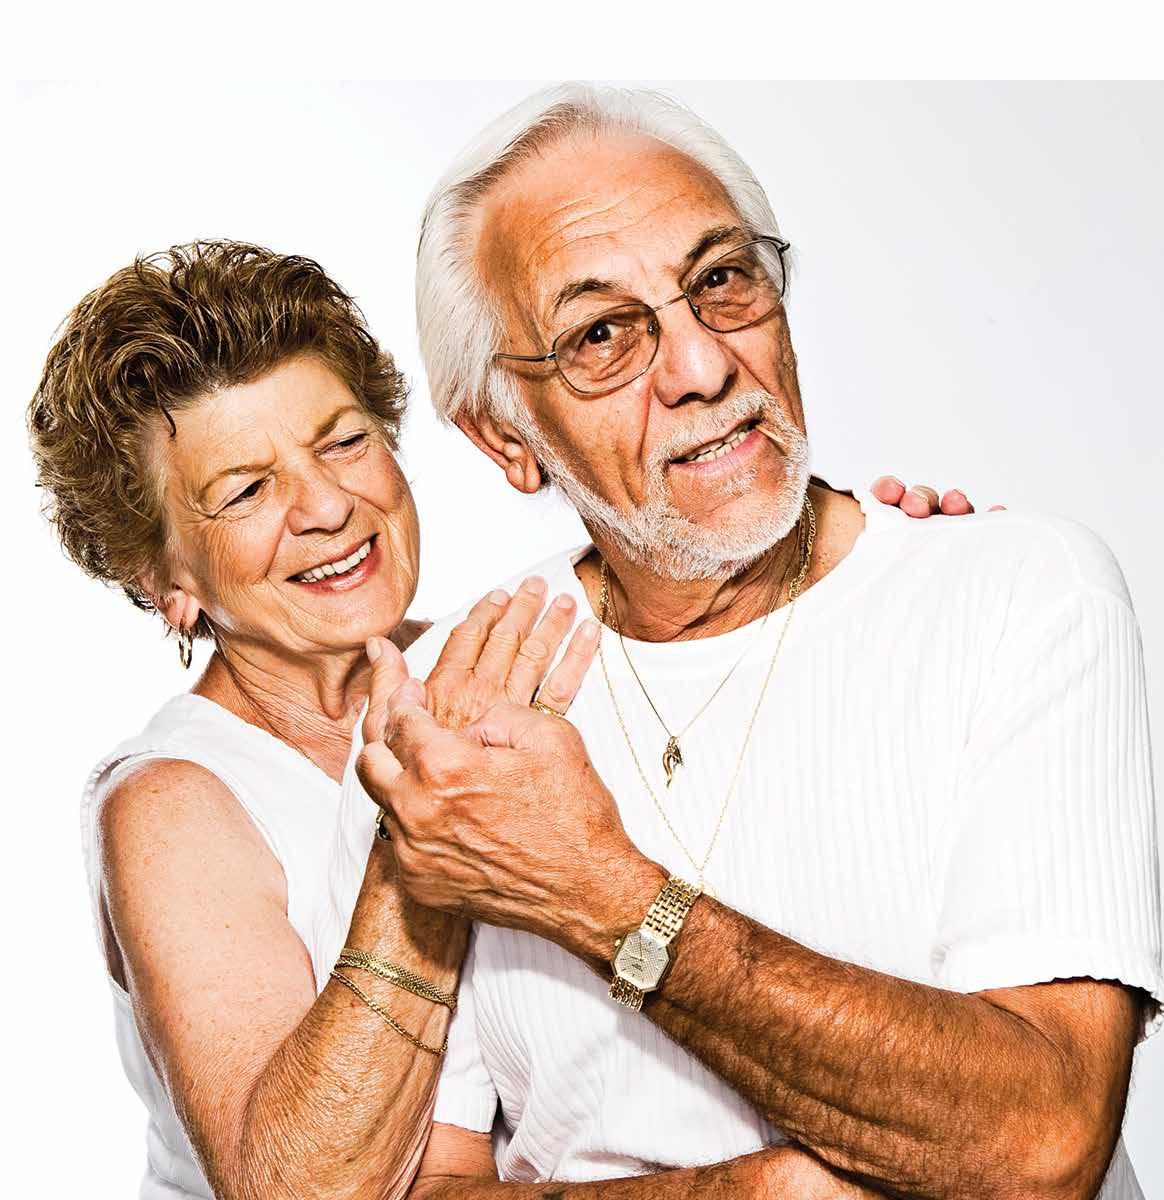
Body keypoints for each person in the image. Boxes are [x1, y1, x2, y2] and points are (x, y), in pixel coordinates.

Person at [347, 84, 1163, 1198]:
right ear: (506, 438)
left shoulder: (1021, 593)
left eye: (722, 280)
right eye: (602, 335)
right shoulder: (451, 702)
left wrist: (599, 891)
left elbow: (1041, 1145)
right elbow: (415, 1187)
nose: (702, 367)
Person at [30, 240, 954, 1199]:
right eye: (247, 491)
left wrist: (876, 570)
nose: (328, 506)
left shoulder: (501, 656)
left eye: (343, 441)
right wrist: (425, 842)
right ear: (165, 580)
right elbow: (294, 1190)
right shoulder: (171, 806)